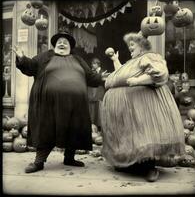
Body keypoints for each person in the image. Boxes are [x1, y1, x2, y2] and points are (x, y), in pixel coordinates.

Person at [12, 31, 108, 173]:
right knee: (47, 128)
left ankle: (69, 158)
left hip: (75, 104)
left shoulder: (78, 59)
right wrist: (22, 58)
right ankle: (39, 161)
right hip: (48, 103)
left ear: (70, 46)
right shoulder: (45, 56)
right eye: (59, 42)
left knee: (73, 127)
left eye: (65, 42)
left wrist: (101, 78)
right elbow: (31, 66)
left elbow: (90, 77)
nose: (62, 43)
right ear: (55, 45)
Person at [101, 31, 185, 182]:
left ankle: (149, 167)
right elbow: (121, 74)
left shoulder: (148, 57)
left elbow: (159, 74)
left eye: (133, 45)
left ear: (142, 46)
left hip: (143, 104)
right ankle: (131, 165)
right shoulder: (132, 62)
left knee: (144, 133)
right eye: (129, 46)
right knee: (131, 136)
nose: (130, 48)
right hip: (127, 108)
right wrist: (115, 60)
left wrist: (138, 81)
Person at [88, 58, 106, 130]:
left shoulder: (103, 72)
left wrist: (100, 77)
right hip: (92, 94)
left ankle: (100, 126)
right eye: (92, 63)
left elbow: (104, 83)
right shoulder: (91, 72)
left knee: (99, 109)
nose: (92, 65)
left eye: (94, 63)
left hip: (99, 93)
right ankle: (92, 125)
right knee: (92, 109)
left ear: (98, 64)